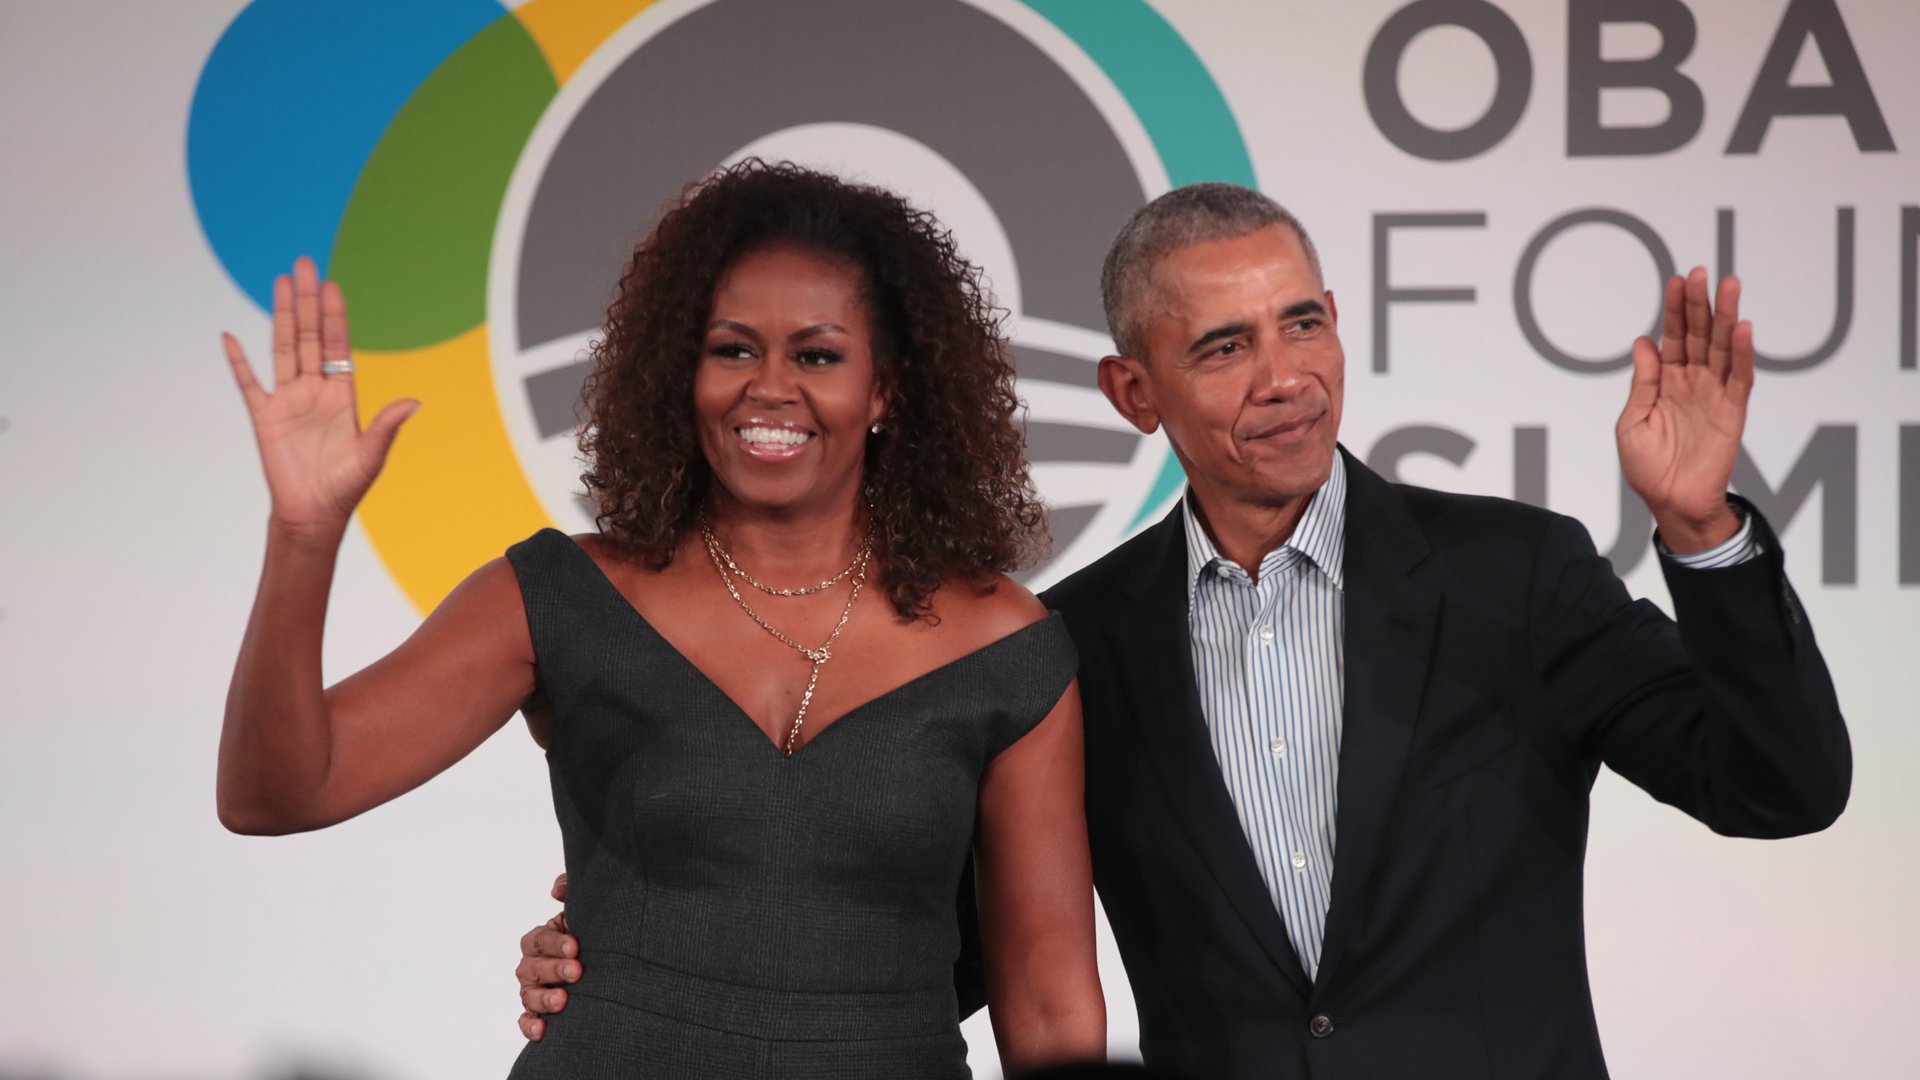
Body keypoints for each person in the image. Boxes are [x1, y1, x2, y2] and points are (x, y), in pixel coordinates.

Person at [516, 182, 1850, 1078]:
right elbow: (939, 953)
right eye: (1223, 347)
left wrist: (1700, 533)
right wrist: (644, 942)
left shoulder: (1515, 576)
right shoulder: (1071, 648)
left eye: (1305, 323)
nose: (1285, 378)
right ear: (1132, 390)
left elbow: (1780, 791)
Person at [216, 161, 1105, 1078]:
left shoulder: (1004, 645)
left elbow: (1048, 995)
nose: (769, 387)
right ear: (681, 371)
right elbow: (276, 794)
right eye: (731, 349)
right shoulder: (563, 596)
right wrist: (303, 534)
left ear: (886, 389)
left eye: (817, 354)